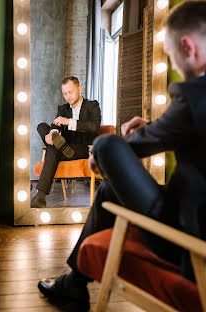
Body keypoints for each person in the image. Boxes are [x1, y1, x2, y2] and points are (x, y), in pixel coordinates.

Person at [38, 1, 206, 311]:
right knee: (107, 183)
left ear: (188, 46)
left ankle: (73, 284)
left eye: (172, 55)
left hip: (188, 242)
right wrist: (152, 128)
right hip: (194, 221)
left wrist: (103, 152)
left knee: (106, 145)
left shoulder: (196, 94)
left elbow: (97, 133)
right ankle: (74, 284)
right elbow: (190, 129)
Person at [31, 76, 101, 208]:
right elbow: (56, 125)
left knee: (53, 149)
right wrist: (51, 134)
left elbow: (93, 126)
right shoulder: (63, 108)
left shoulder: (92, 105)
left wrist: (69, 122)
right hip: (66, 148)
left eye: (71, 92)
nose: (68, 96)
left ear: (79, 89)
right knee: (42, 126)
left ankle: (40, 196)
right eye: (65, 93)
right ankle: (60, 146)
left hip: (84, 148)